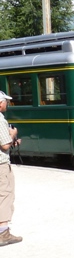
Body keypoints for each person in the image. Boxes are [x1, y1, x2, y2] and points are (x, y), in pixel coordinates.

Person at [0, 91, 21, 247]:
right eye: (6, 101)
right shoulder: (0, 120)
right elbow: (5, 145)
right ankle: (3, 233)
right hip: (1, 165)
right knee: (5, 195)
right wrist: (13, 135)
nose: (7, 104)